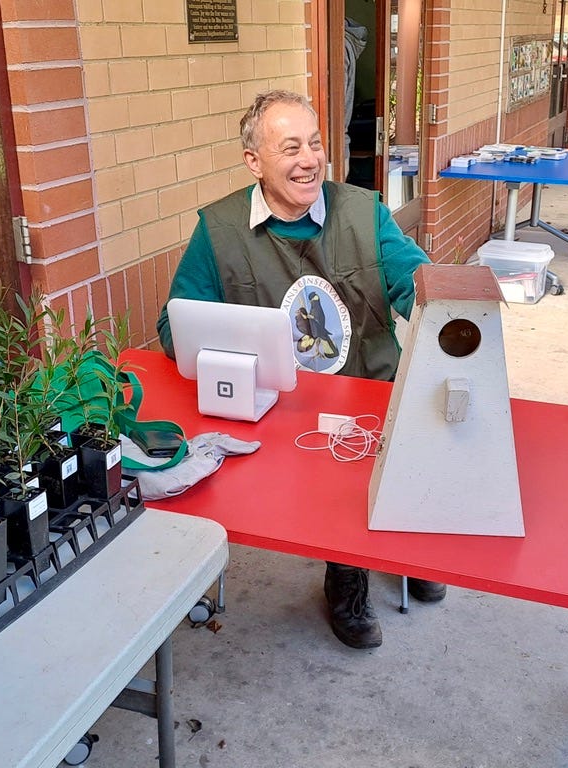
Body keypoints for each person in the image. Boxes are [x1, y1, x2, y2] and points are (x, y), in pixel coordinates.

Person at [156, 90, 444, 650]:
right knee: (323, 485)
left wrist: (442, 307)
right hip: (281, 406)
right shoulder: (219, 229)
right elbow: (175, 325)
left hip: (366, 388)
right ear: (254, 162)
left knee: (405, 443)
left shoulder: (363, 211)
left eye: (315, 143)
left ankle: (401, 553)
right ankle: (347, 574)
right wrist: (226, 342)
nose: (310, 160)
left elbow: (415, 279)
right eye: (290, 148)